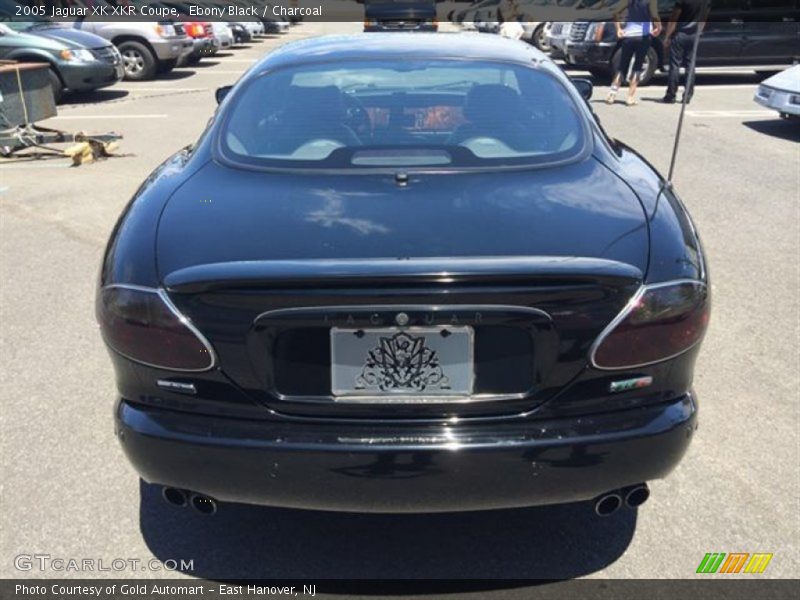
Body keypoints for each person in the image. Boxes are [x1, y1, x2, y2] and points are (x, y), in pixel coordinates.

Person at [606, 0, 662, 106]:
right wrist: (658, 27)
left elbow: (615, 12)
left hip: (629, 35)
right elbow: (654, 15)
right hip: (643, 36)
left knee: (622, 66)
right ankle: (630, 97)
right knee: (638, 66)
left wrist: (618, 29)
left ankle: (612, 94)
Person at [662, 0, 711, 104]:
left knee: (675, 65)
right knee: (690, 64)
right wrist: (699, 31)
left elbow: (674, 17)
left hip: (681, 33)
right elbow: (704, 18)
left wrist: (667, 36)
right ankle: (687, 95)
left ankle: (671, 95)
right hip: (694, 34)